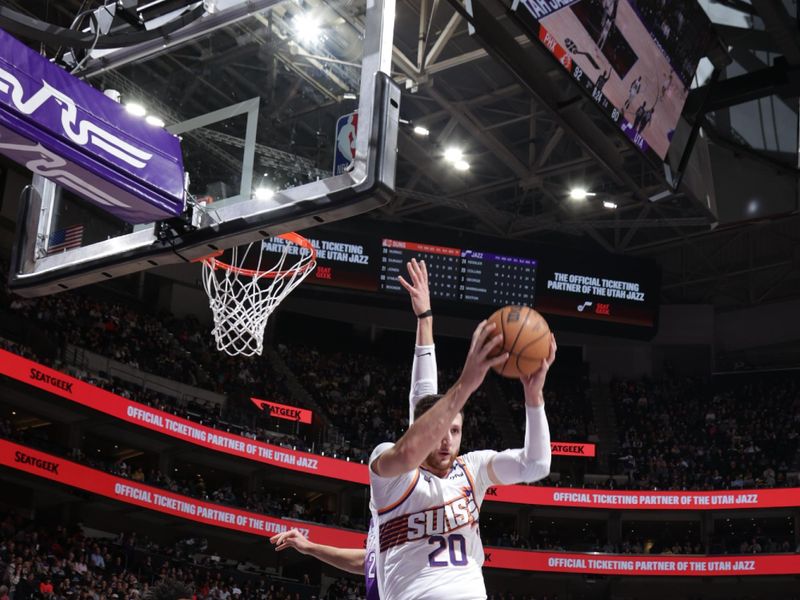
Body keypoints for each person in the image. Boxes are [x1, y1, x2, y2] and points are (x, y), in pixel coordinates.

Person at [271, 258, 438, 599]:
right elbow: (368, 562)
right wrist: (310, 547)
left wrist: (425, 320)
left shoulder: (423, 495)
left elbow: (423, 399)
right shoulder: (387, 505)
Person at [369, 321, 555, 600]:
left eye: (454, 431)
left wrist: (534, 397)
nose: (446, 440)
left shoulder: (472, 468)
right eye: (440, 431)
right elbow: (414, 430)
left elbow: (536, 465)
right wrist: (465, 383)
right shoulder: (393, 471)